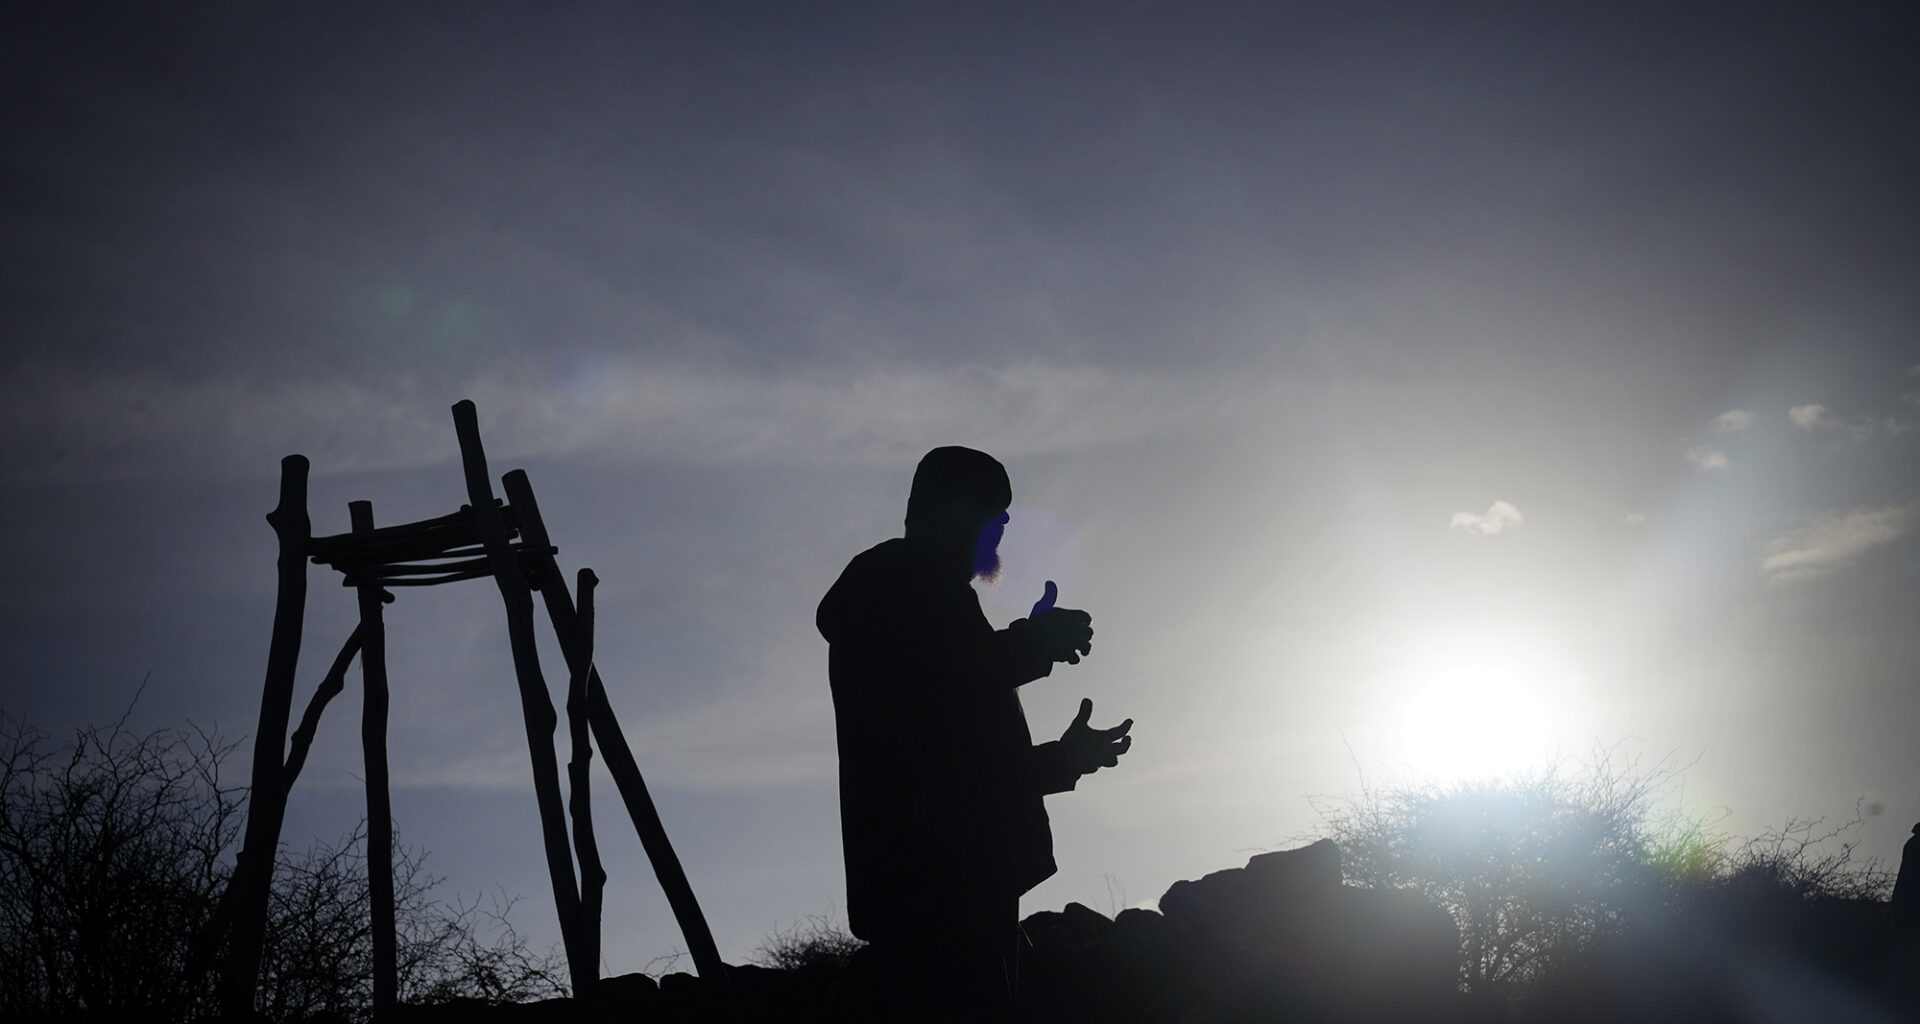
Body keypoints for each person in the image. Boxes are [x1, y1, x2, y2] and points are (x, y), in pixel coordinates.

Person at [817, 446, 1133, 1017]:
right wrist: (1035, 644)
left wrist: (1064, 759)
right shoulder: (892, 581)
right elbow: (946, 684)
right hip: (934, 893)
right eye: (995, 514)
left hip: (959, 886)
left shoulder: (927, 601)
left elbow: (959, 762)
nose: (1003, 530)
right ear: (954, 511)